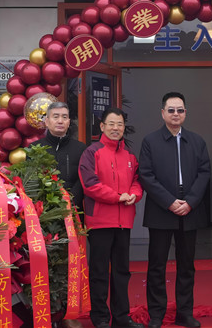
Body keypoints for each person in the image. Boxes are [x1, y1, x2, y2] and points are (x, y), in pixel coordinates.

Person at [138, 92, 211, 328]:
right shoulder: (150, 141)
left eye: (180, 110)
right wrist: (170, 202)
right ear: (162, 113)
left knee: (187, 265)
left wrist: (190, 201)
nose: (176, 114)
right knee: (157, 265)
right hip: (162, 208)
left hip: (190, 208)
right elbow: (146, 175)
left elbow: (204, 173)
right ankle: (157, 314)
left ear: (185, 113)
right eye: (171, 110)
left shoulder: (197, 141)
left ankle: (185, 312)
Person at [79, 108, 144, 328]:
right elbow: (90, 185)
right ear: (102, 126)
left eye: (120, 124)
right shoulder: (92, 152)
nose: (116, 128)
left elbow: (137, 181)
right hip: (99, 222)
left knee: (121, 271)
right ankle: (100, 317)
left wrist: (134, 195)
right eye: (112, 123)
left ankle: (121, 317)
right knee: (99, 272)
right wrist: (117, 197)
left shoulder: (129, 156)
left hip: (124, 221)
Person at [37, 102, 85, 209]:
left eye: (64, 117)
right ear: (47, 122)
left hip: (73, 209)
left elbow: (82, 180)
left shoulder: (81, 148)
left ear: (68, 122)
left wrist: (70, 200)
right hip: (44, 211)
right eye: (55, 117)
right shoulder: (35, 148)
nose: (60, 121)